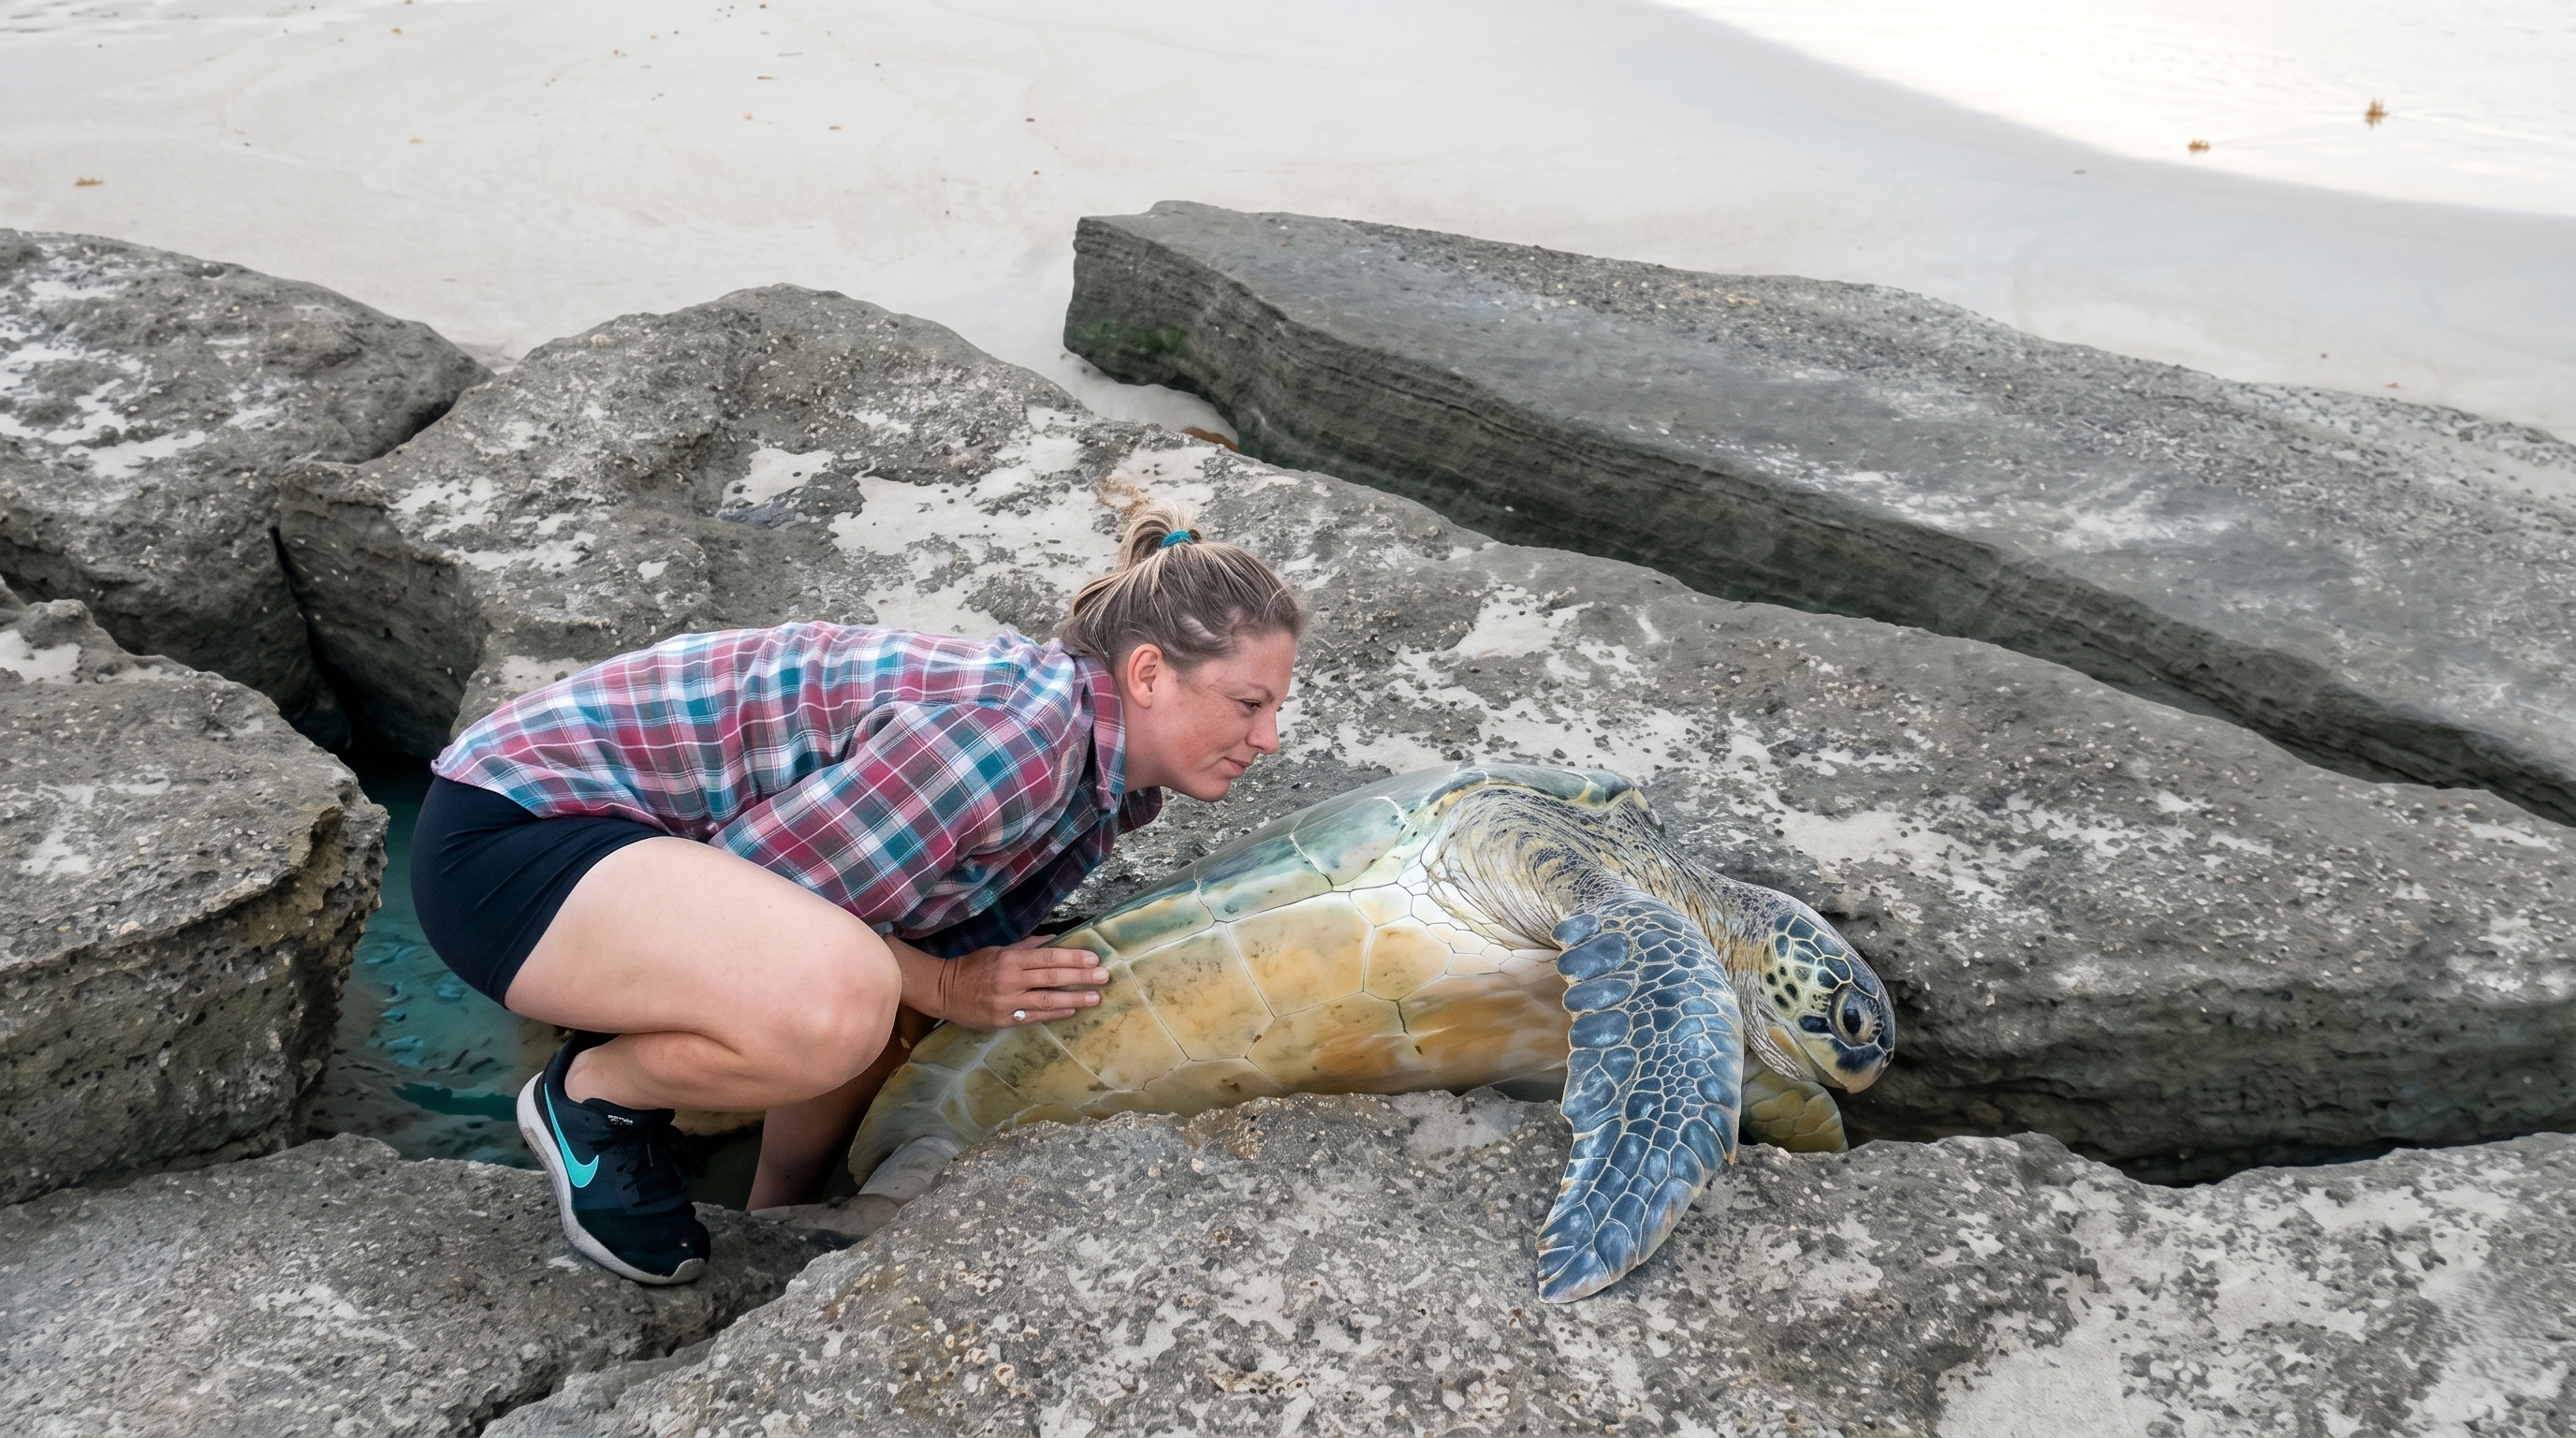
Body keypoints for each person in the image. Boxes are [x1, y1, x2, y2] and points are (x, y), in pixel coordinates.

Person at [409, 502, 1303, 1284]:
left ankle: (766, 1197)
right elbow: (773, 908)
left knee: (894, 1001)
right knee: (857, 992)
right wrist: (947, 985)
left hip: (619, 866)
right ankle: (593, 1099)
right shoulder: (1013, 743)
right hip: (512, 846)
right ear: (1148, 675)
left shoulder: (1101, 785)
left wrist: (778, 1228)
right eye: (1247, 703)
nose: (1267, 738)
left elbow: (886, 958)